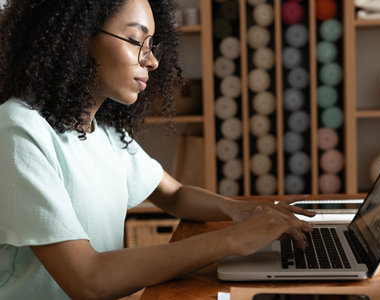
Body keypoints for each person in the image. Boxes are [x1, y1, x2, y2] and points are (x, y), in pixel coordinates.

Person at [0, 0, 315, 299]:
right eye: (136, 40)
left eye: (152, 46)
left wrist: (238, 209)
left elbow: (174, 194)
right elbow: (88, 280)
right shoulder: (19, 130)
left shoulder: (105, 132)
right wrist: (232, 240)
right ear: (82, 37)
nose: (151, 60)